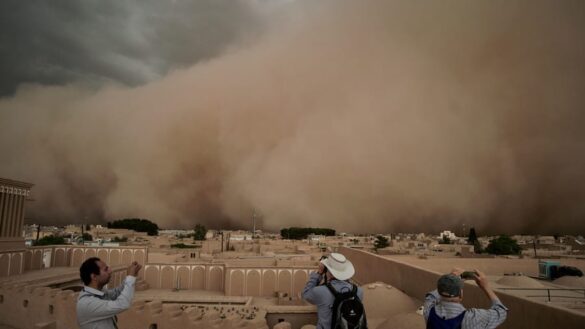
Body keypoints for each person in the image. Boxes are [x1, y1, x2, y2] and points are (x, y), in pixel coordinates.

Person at [424, 268, 508, 329]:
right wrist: (485, 286)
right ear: (461, 294)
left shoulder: (429, 311)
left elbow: (431, 296)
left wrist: (449, 280)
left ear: (439, 292)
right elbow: (501, 311)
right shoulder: (472, 317)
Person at [302, 253, 365, 329]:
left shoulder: (321, 291)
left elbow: (305, 294)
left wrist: (319, 273)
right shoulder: (359, 291)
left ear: (328, 271)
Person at [77, 257, 142, 329]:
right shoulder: (87, 303)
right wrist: (130, 277)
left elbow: (116, 293)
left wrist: (132, 275)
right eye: (106, 269)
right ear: (94, 276)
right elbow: (123, 304)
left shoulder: (100, 292)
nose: (110, 271)